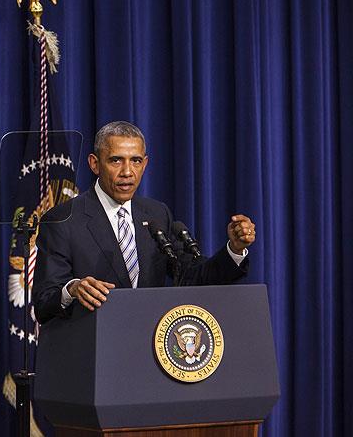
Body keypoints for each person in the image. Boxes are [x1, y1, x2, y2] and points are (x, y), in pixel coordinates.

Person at [33, 121, 256, 324]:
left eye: (136, 161)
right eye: (116, 160)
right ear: (94, 164)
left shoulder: (156, 213)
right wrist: (72, 289)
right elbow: (44, 302)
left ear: (145, 163)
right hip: (93, 346)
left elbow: (192, 277)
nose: (127, 172)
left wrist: (234, 250)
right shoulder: (63, 220)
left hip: (147, 345)